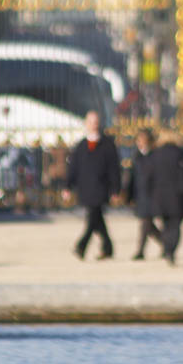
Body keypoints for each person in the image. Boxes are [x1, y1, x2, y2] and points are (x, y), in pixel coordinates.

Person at [63, 110, 121, 260]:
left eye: (96, 122)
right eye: (91, 122)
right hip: (86, 187)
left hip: (101, 187)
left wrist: (115, 189)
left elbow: (114, 169)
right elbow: (74, 168)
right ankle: (108, 247)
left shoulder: (108, 145)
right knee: (97, 218)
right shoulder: (81, 145)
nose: (94, 125)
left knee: (93, 216)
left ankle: (81, 246)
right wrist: (68, 186)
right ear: (86, 124)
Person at [145, 128, 183, 265]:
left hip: (159, 195)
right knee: (175, 225)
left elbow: (148, 176)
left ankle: (167, 248)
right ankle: (170, 249)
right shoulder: (181, 154)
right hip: (177, 195)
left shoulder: (155, 154)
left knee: (165, 224)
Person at [126, 128, 162, 260]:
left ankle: (140, 250)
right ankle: (165, 242)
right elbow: (132, 177)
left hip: (152, 193)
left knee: (145, 223)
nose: (141, 142)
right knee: (148, 224)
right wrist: (129, 195)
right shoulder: (136, 156)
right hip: (140, 194)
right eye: (139, 140)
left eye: (143, 140)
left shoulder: (155, 156)